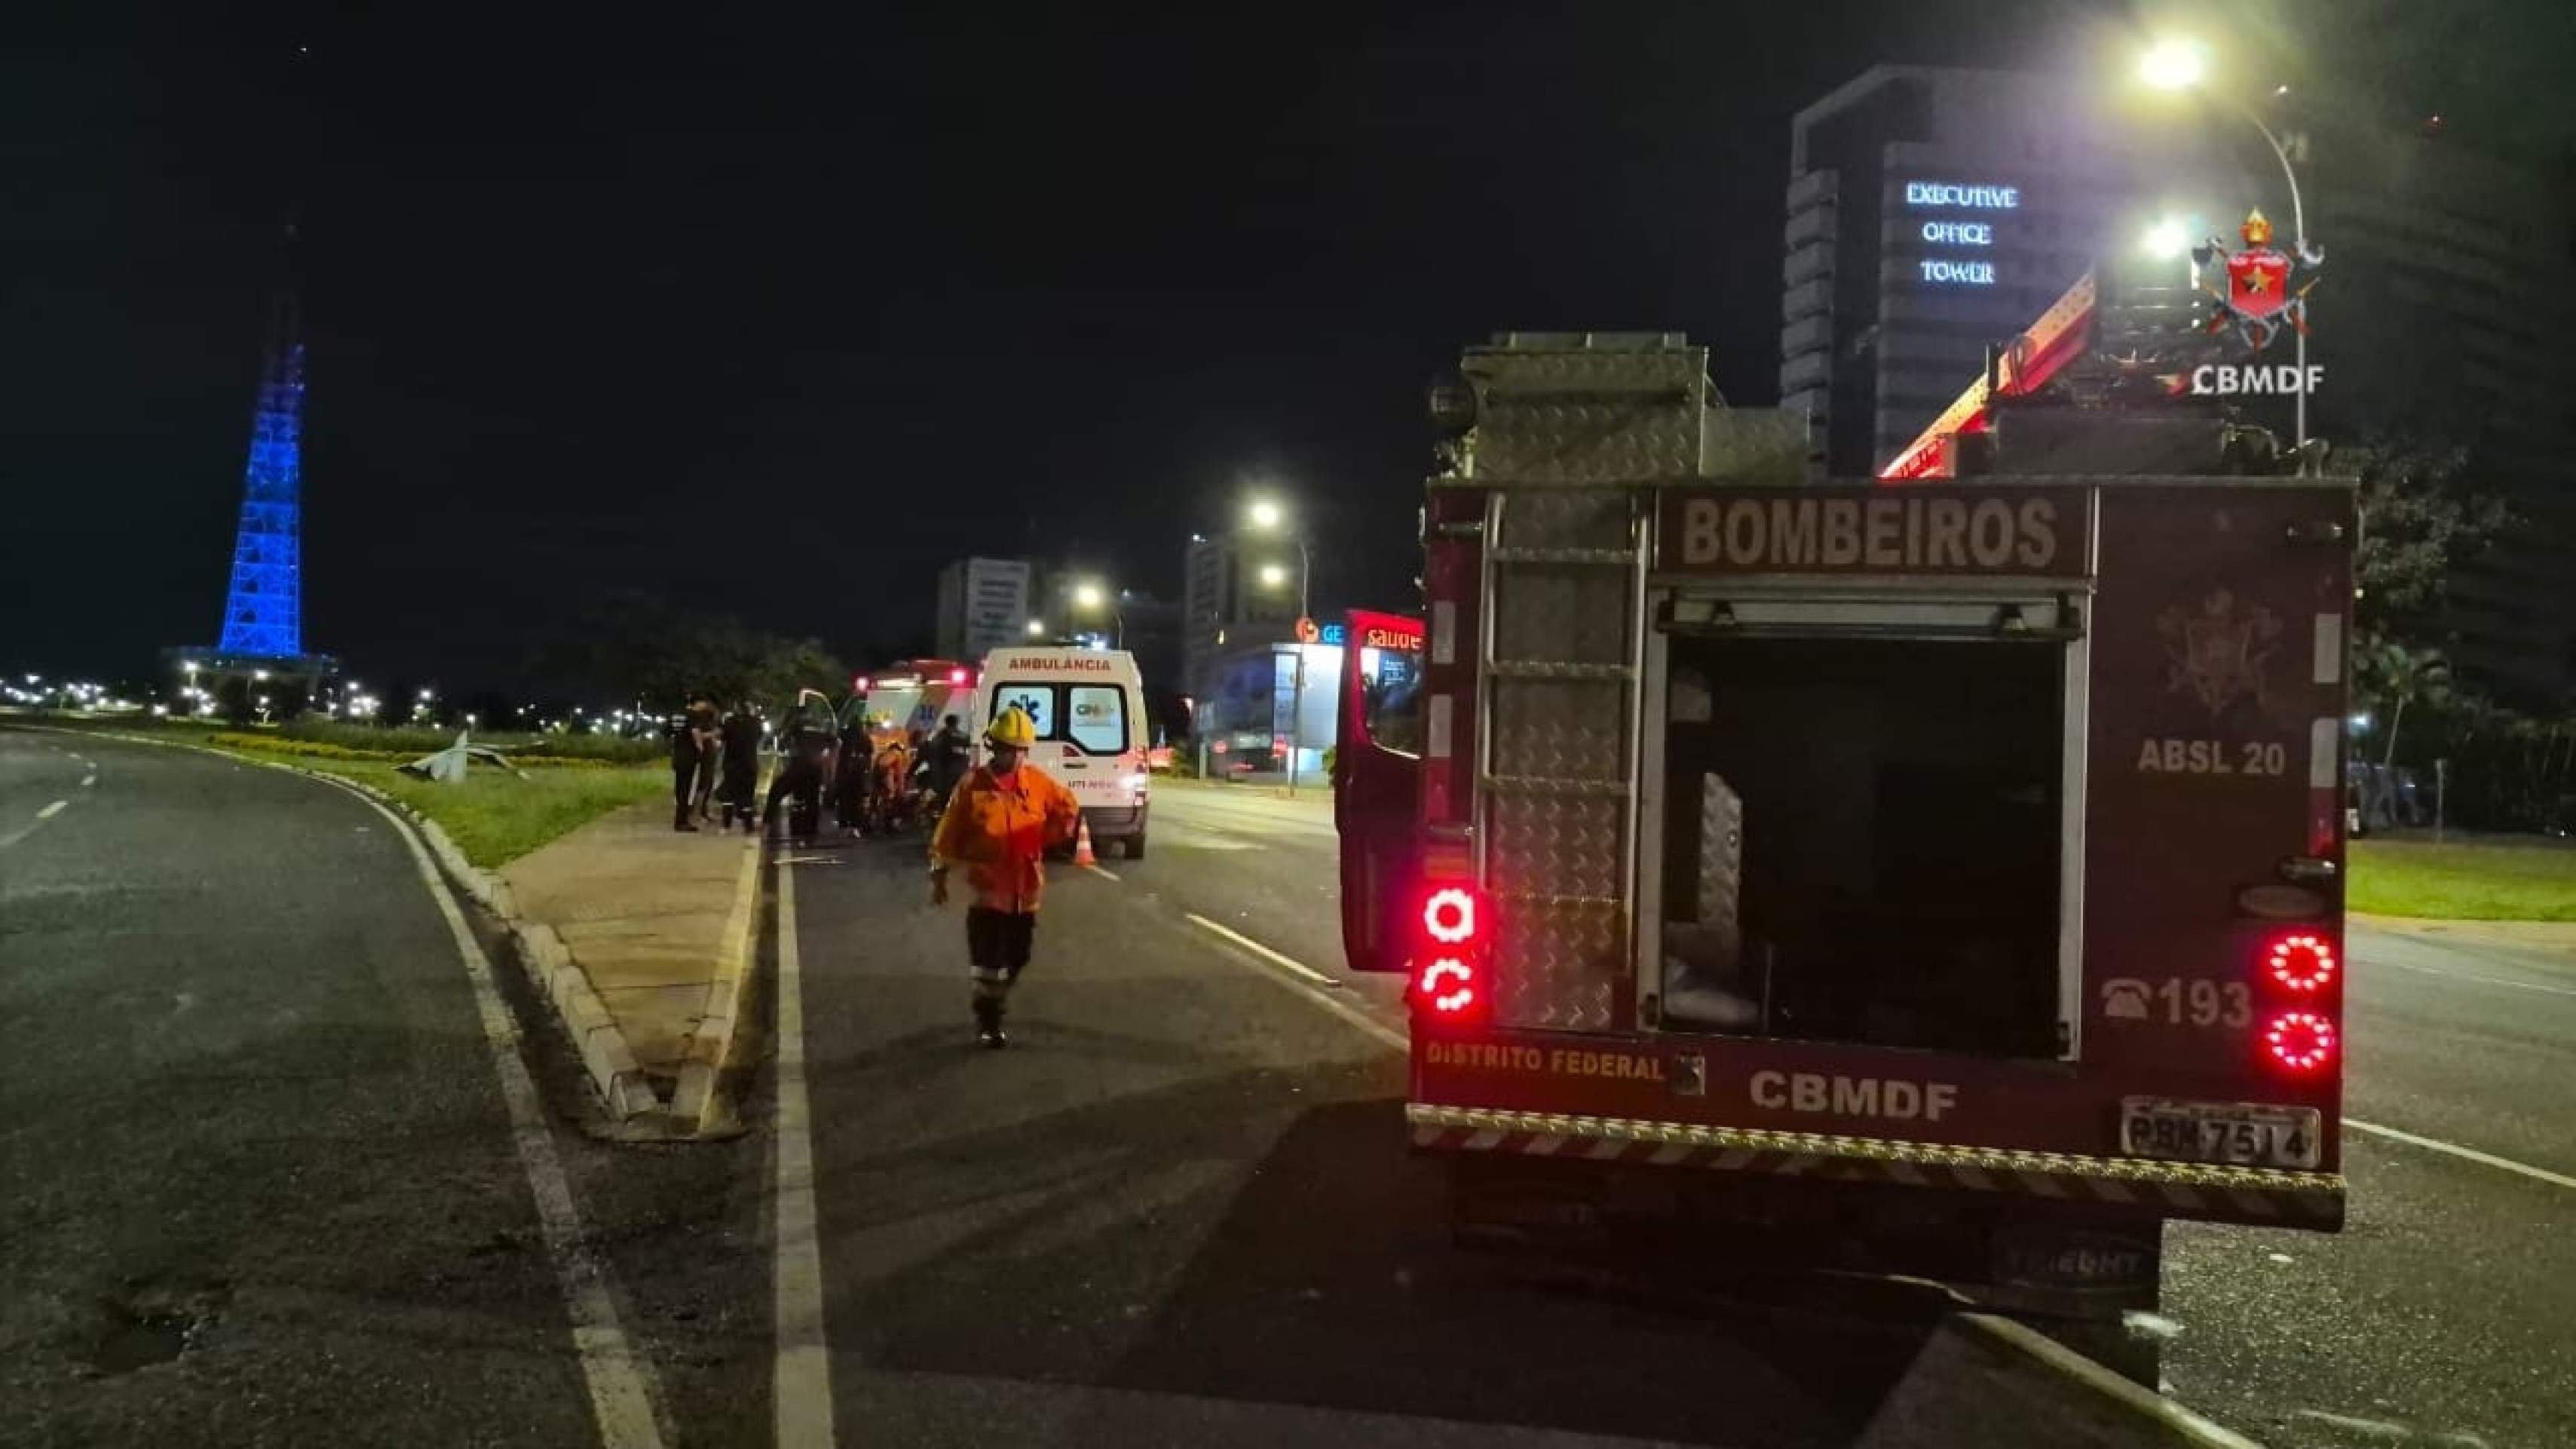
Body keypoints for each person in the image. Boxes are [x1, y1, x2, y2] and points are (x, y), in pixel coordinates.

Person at [928, 706, 1079, 1048]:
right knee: (988, 961)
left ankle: (994, 998)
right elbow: (948, 832)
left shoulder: (1038, 783)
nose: (1006, 755)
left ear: (1024, 750)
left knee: (1018, 957)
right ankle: (989, 1021)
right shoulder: (973, 785)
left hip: (1025, 893)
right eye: (1001, 748)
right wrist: (939, 873)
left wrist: (1047, 837)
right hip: (987, 891)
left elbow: (1068, 808)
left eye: (1013, 749)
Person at [763, 702, 837, 841]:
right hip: (816, 768)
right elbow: (834, 743)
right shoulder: (821, 726)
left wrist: (781, 746)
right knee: (813, 800)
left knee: (776, 792)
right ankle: (812, 833)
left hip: (799, 765)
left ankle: (766, 827)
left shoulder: (797, 725)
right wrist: (827, 761)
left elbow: (784, 742)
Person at [669, 694, 718, 832]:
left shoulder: (677, 715)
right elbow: (695, 731)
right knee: (686, 791)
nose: (705, 706)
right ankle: (681, 822)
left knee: (679, 790)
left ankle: (680, 819)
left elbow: (666, 731)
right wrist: (700, 747)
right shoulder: (693, 715)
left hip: (677, 756)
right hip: (689, 757)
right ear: (698, 703)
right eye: (703, 702)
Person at [716, 700, 763, 833]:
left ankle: (726, 826)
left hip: (732, 764)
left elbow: (722, 738)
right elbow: (759, 737)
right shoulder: (756, 723)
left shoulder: (730, 722)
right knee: (748, 795)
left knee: (729, 795)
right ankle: (748, 827)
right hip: (750, 764)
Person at [920, 712, 972, 812]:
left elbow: (934, 753)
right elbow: (967, 752)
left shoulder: (941, 736)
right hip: (962, 772)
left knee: (944, 799)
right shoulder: (965, 736)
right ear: (957, 723)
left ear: (946, 722)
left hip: (946, 773)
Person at [833, 708, 873, 836]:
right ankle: (856, 825)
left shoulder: (843, 736)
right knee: (857, 800)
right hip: (859, 773)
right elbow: (869, 756)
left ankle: (844, 825)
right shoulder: (865, 739)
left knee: (844, 799)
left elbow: (837, 753)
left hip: (845, 771)